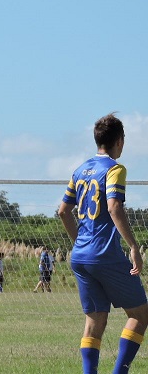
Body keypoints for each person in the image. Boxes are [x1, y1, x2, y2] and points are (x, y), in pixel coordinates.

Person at [58, 113, 148, 374]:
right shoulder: (115, 169)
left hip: (81, 257)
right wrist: (133, 246)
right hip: (105, 255)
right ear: (119, 141)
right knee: (140, 315)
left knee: (95, 320)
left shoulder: (79, 170)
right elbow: (114, 206)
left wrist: (80, 242)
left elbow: (64, 211)